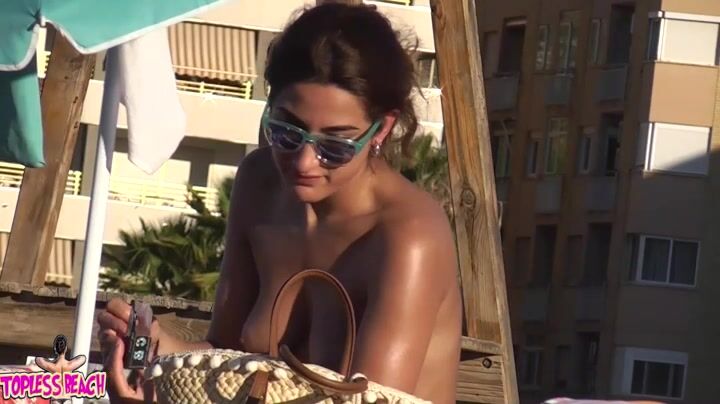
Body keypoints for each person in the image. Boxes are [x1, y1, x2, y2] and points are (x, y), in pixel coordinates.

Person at [98, 3, 462, 403]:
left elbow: (369, 401)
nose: (305, 162)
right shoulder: (260, 183)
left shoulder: (408, 236)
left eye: (335, 145)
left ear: (382, 129)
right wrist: (155, 349)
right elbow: (226, 357)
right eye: (287, 132)